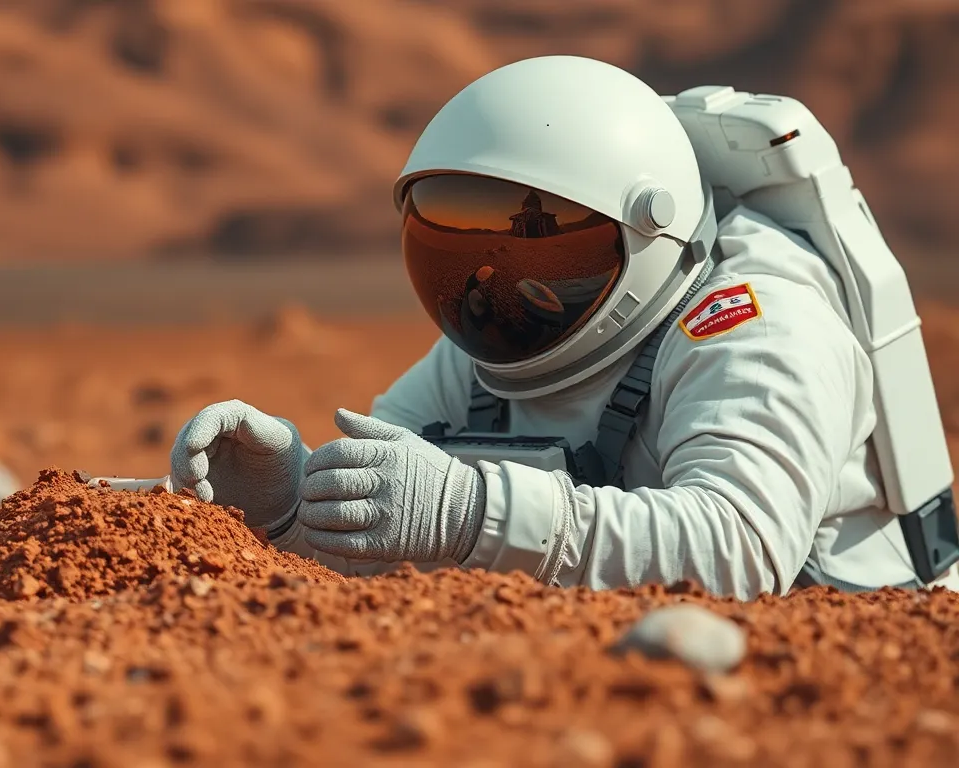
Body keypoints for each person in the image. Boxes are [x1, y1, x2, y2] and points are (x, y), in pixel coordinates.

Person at [169, 55, 959, 600]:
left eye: (541, 246)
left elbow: (741, 547)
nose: (497, 287)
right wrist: (287, 509)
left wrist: (473, 514)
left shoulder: (754, 327)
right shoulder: (499, 346)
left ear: (651, 231)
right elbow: (399, 505)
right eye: (462, 248)